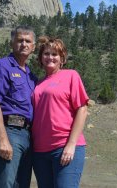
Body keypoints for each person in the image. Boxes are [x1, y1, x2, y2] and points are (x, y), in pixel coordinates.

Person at [31, 36, 89, 188]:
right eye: (46, 53)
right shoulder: (38, 83)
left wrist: (71, 145)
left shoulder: (71, 76)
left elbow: (82, 109)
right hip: (40, 151)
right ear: (40, 58)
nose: (50, 57)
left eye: (55, 54)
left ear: (62, 58)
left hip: (64, 146)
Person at [0, 26, 36, 188]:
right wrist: (3, 140)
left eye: (28, 41)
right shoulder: (1, 66)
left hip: (27, 135)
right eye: (20, 40)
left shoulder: (31, 76)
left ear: (33, 47)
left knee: (21, 185)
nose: (24, 44)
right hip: (9, 132)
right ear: (12, 43)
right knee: (4, 184)